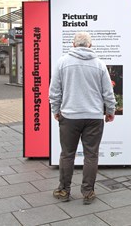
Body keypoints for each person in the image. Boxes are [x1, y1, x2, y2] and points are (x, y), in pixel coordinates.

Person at [49, 32, 116, 204]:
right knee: (91, 155)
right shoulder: (99, 64)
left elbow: (54, 91)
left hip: (69, 116)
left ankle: (64, 190)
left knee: (67, 154)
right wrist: (110, 111)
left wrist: (55, 109)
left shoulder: (62, 62)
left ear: (73, 44)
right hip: (93, 117)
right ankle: (88, 192)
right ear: (90, 46)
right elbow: (108, 92)